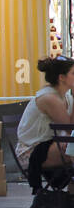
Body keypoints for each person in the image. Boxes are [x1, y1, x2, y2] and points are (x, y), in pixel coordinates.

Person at [15, 56, 74, 191]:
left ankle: (69, 203)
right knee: (71, 149)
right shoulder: (49, 98)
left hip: (50, 145)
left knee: (71, 148)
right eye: (73, 73)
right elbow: (69, 128)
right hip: (31, 152)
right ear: (62, 77)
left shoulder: (66, 97)